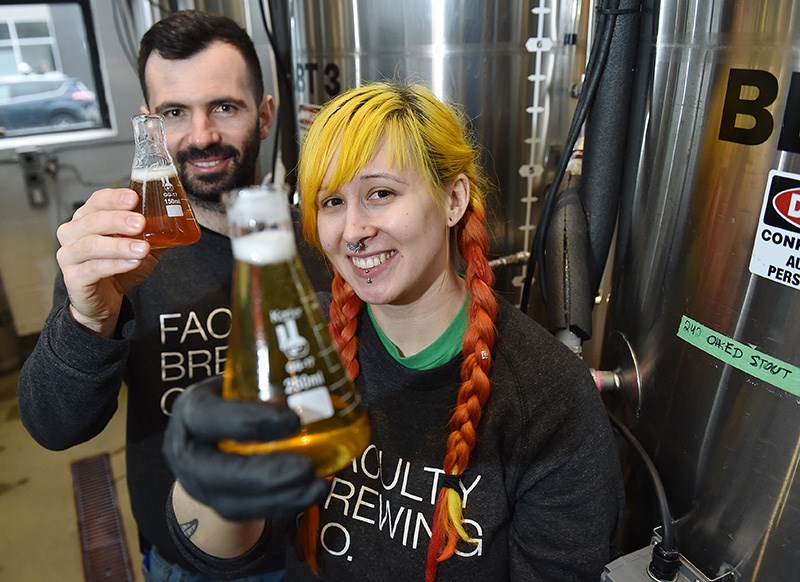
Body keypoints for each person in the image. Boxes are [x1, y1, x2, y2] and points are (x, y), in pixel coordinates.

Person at [162, 81, 625, 581]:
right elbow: (228, 553)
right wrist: (208, 488)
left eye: (380, 193)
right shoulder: (304, 342)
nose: (353, 230)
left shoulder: (547, 392)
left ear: (453, 199)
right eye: (332, 202)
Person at [16, 10, 329, 582]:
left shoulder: (320, 242)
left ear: (264, 116)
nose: (202, 135)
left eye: (225, 107)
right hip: (189, 562)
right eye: (174, 113)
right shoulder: (117, 254)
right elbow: (55, 427)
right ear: (148, 126)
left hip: (328, 546)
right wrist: (89, 318)